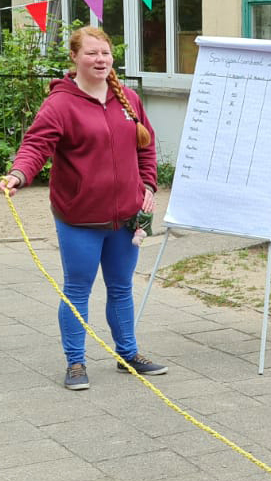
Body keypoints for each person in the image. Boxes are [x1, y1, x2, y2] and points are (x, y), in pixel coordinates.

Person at [1, 26, 167, 391]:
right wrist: (17, 174)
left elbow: (146, 148)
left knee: (121, 288)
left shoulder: (129, 100)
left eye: (105, 53)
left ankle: (128, 354)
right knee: (78, 289)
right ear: (74, 57)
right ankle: (75, 363)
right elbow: (35, 146)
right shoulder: (60, 104)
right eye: (91, 53)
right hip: (79, 218)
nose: (100, 60)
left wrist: (148, 186)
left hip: (125, 218)